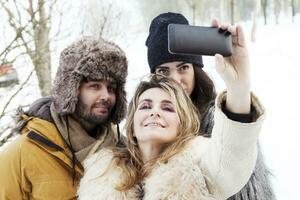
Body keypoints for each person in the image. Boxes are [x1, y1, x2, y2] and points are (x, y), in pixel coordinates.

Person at [145, 12, 275, 199]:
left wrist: (239, 89)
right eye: (163, 71)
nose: (175, 80)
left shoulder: (218, 121)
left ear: (195, 70)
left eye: (183, 68)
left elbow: (232, 152)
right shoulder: (147, 124)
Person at [78, 73, 265, 199]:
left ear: (183, 123)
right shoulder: (101, 173)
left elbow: (232, 155)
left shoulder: (201, 163)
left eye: (167, 108)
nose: (154, 112)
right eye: (145, 106)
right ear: (133, 125)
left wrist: (238, 86)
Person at [0, 36, 128, 199]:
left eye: (111, 88)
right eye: (94, 86)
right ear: (71, 90)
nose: (106, 96)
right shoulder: (21, 153)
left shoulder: (123, 152)